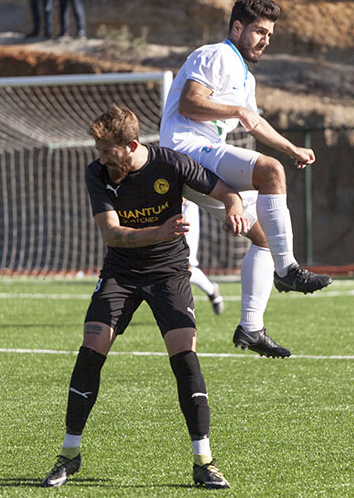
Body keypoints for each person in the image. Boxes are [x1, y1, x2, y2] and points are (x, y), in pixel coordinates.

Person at [41, 105, 245, 489]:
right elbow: (114, 235)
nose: (100, 159)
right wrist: (162, 229)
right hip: (121, 272)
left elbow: (225, 191)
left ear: (132, 145)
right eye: (98, 151)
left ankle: (204, 462)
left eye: (107, 152)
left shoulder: (172, 164)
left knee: (185, 353)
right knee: (93, 342)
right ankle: (68, 455)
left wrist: (234, 208)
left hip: (169, 272)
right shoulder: (97, 173)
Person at [160, 0, 332, 358]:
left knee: (265, 237)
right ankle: (288, 270)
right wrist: (236, 110)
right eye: (259, 31)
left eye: (270, 34)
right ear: (237, 27)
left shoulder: (245, 76)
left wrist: (292, 148)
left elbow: (254, 122)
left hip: (200, 162)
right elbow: (191, 103)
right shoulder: (215, 54)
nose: (265, 40)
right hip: (185, 151)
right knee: (270, 172)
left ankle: (251, 328)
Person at [182, 199, 224, 315]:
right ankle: (211, 290)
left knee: (184, 265)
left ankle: (211, 290)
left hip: (184, 217)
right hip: (160, 218)